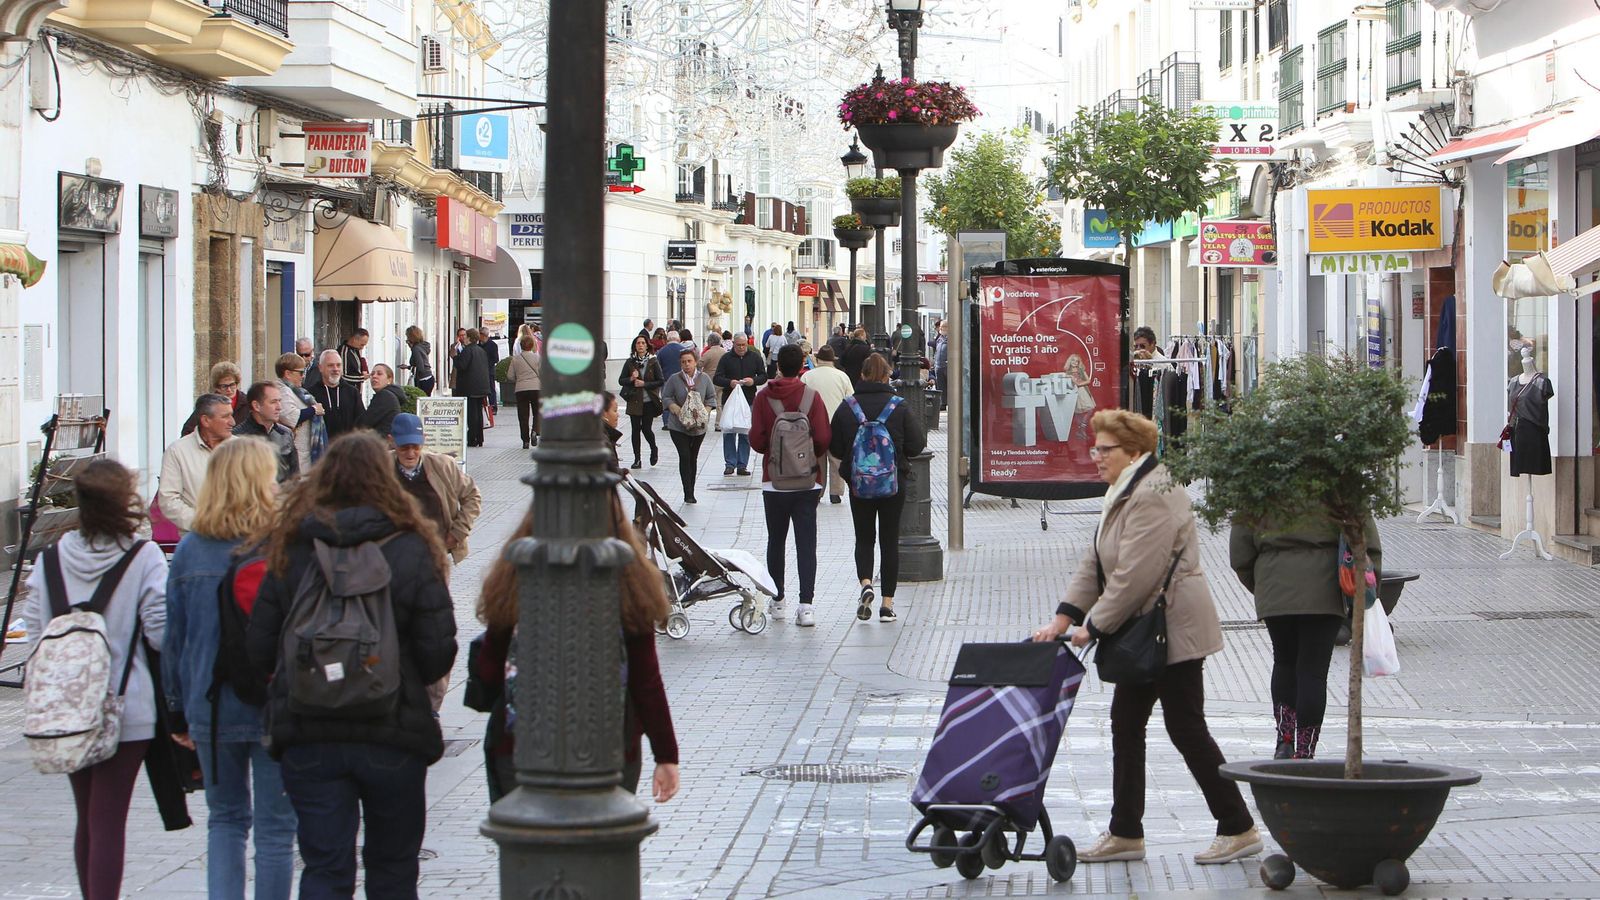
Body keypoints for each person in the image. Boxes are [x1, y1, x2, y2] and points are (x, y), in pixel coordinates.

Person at [1032, 409, 1259, 865]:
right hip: (1147, 627)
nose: (1095, 456)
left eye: (1104, 449)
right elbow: (1096, 562)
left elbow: (1136, 573)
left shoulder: (1154, 492)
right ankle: (1126, 832)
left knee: (1185, 726)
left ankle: (1238, 826)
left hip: (1172, 627)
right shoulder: (1124, 488)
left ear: (1133, 451)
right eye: (1094, 447)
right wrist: (1063, 617)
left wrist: (1092, 627)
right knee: (1127, 724)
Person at [245, 433, 458, 899]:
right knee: (394, 866)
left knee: (324, 866)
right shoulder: (410, 545)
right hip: (392, 729)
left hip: (309, 728)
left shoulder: (293, 545)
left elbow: (258, 647)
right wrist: (398, 677)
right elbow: (438, 650)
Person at [23, 460, 171, 900]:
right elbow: (161, 634)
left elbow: (34, 635)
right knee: (109, 819)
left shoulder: (50, 560)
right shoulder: (143, 556)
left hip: (70, 709)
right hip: (129, 705)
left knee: (86, 817)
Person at [474, 493, 678, 803]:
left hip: (521, 747)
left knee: (528, 846)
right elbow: (645, 680)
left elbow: (489, 670)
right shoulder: (629, 581)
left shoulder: (516, 574)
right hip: (611, 749)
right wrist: (666, 755)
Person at [163, 439, 297, 900]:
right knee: (277, 831)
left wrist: (177, 711)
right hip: (277, 704)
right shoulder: (284, 545)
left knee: (225, 821)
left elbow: (174, 640)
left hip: (211, 705)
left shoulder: (190, 551)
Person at [1230, 515, 1381, 760]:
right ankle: (1305, 750)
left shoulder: (1260, 477)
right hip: (1328, 585)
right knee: (1313, 671)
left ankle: (1284, 742)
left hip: (1274, 582)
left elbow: (1240, 550)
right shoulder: (1339, 477)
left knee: (1284, 661)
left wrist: (1263, 587)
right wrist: (1370, 587)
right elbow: (1368, 540)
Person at [828, 352, 924, 624]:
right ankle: (887, 605)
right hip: (893, 484)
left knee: (864, 538)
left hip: (860, 485)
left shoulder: (848, 406)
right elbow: (917, 445)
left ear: (862, 375)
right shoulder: (899, 406)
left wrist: (852, 466)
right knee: (889, 540)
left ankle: (866, 583)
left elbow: (834, 446)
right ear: (887, 375)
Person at [749, 344, 831, 626]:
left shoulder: (763, 397)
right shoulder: (812, 397)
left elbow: (757, 440)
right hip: (808, 482)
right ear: (802, 366)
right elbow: (822, 438)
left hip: (774, 483)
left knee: (776, 540)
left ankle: (778, 599)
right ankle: (806, 606)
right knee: (806, 543)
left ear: (778, 366)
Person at [390, 414, 483, 567]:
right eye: (404, 447)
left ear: (424, 439)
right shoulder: (380, 466)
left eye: (415, 446)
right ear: (391, 440)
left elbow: (472, 495)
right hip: (395, 553)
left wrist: (457, 533)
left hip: (435, 552)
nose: (411, 453)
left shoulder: (443, 465)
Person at [159, 394, 234, 533]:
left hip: (239, 540)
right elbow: (168, 500)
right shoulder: (178, 451)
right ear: (206, 420)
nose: (232, 422)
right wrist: (204, 523)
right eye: (225, 417)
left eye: (231, 415)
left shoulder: (242, 449)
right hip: (197, 539)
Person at [661, 347, 717, 504]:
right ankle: (688, 493)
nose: (686, 365)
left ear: (696, 362)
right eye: (683, 362)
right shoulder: (674, 379)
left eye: (689, 361)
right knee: (685, 456)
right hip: (678, 426)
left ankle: (691, 487)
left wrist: (705, 412)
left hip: (699, 427)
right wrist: (674, 408)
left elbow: (711, 397)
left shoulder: (704, 378)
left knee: (693, 457)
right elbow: (666, 396)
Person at [802, 345, 854, 504]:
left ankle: (818, 491)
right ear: (833, 360)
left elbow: (802, 400)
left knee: (817, 459)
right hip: (836, 423)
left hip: (814, 424)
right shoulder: (842, 376)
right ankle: (835, 492)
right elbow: (850, 400)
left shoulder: (807, 376)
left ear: (817, 360)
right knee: (836, 459)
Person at [713, 333, 767, 476]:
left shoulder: (755, 357)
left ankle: (742, 464)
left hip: (748, 400)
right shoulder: (726, 358)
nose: (741, 348)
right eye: (738, 345)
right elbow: (717, 378)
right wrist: (729, 383)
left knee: (745, 433)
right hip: (729, 400)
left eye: (744, 345)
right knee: (729, 432)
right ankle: (730, 464)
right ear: (733, 344)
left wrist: (753, 381)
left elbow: (763, 376)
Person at [231, 381, 298, 483]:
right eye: (273, 402)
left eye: (279, 401)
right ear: (256, 406)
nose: (279, 407)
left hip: (282, 496)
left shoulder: (285, 434)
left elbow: (294, 476)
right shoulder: (237, 437)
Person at [275, 352, 324, 475]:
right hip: (296, 448)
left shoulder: (297, 391)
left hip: (304, 448)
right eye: (301, 373)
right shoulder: (283, 390)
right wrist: (314, 410)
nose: (303, 376)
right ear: (288, 373)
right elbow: (289, 416)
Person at [619, 335, 664, 469]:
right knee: (635, 430)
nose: (640, 345)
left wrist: (644, 384)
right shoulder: (630, 362)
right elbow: (621, 380)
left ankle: (653, 449)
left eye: (643, 343)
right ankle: (637, 459)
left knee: (646, 429)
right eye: (638, 343)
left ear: (647, 345)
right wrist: (631, 379)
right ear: (635, 346)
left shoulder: (653, 361)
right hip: (634, 401)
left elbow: (660, 380)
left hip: (649, 401)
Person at [307, 350, 365, 440]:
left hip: (348, 449)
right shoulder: (311, 393)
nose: (335, 369)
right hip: (321, 450)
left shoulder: (352, 392)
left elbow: (361, 423)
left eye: (338, 365)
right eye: (330, 365)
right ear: (320, 368)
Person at [453, 329, 493, 448]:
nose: (464, 338)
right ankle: (479, 438)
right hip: (481, 386)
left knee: (472, 414)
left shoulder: (468, 350)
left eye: (465, 336)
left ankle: (472, 438)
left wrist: (455, 357)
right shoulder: (481, 350)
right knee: (478, 413)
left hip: (470, 387)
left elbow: (462, 366)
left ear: (469, 338)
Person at [509, 334, 543, 449]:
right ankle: (534, 431)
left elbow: (510, 376)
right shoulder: (538, 358)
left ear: (521, 345)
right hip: (536, 388)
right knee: (537, 412)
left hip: (521, 389)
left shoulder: (515, 359)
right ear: (532, 345)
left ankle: (525, 440)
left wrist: (519, 379)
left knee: (523, 415)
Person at [359, 364, 408, 437]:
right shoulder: (390, 395)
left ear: (389, 379)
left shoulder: (384, 396)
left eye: (379, 374)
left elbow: (364, 423)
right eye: (372, 374)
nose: (374, 376)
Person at [654, 330, 683, 429]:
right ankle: (681, 419)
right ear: (678, 339)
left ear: (667, 339)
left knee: (666, 399)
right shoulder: (683, 350)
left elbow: (658, 367)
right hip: (681, 380)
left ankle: (666, 422)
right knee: (681, 400)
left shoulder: (662, 351)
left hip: (666, 380)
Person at [402, 326, 435, 395]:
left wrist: (410, 367)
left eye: (407, 336)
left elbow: (420, 368)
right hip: (429, 377)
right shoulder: (422, 346)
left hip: (423, 380)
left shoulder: (416, 349)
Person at [600, 391, 624, 473]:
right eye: (615, 410)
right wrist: (622, 473)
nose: (618, 415)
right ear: (603, 413)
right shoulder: (600, 439)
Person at [480, 326, 502, 410]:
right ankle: (483, 406)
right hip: (480, 372)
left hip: (489, 371)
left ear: (484, 335)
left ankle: (493, 407)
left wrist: (486, 364)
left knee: (491, 389)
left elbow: (496, 359)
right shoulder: (479, 345)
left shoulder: (492, 345)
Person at [933, 319, 949, 407]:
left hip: (947, 366)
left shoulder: (952, 338)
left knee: (948, 385)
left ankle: (949, 403)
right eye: (940, 327)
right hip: (938, 365)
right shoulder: (939, 339)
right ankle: (943, 403)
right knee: (940, 385)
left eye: (943, 327)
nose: (940, 329)